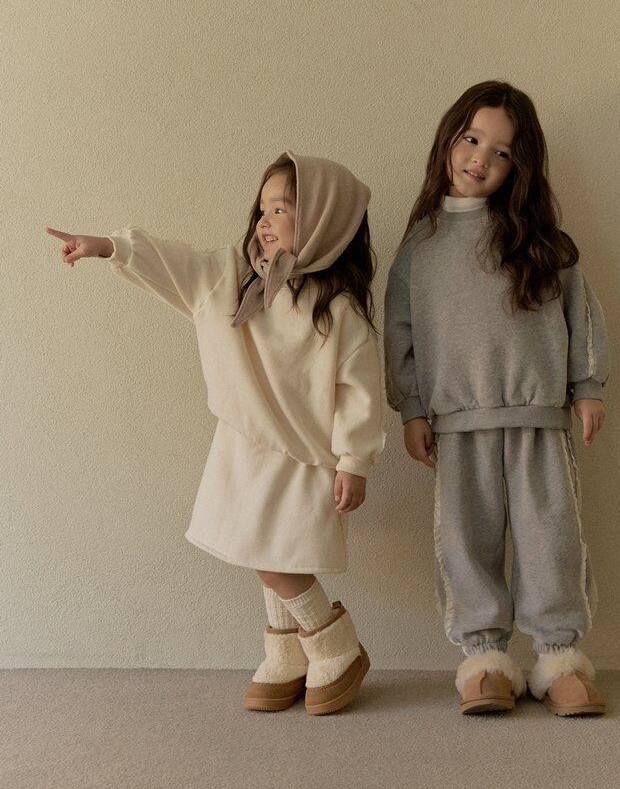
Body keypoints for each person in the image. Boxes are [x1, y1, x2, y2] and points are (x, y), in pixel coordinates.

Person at [46, 151, 385, 716]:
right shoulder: (232, 277)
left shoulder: (339, 312)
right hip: (243, 449)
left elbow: (359, 392)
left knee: (278, 556)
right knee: (257, 547)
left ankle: (335, 647)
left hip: (301, 456)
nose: (265, 220)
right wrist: (109, 247)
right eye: (263, 208)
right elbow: (174, 262)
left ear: (325, 222)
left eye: (283, 209)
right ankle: (287, 655)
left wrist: (356, 460)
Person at [384, 81, 611, 716]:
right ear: (448, 140)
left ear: (520, 166)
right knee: (466, 541)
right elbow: (400, 333)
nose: (480, 158)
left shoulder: (542, 240)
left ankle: (559, 658)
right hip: (457, 424)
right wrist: (411, 409)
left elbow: (580, 314)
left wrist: (588, 386)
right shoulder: (420, 247)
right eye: (471, 139)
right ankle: (484, 659)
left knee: (551, 538)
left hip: (539, 419)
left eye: (502, 152)